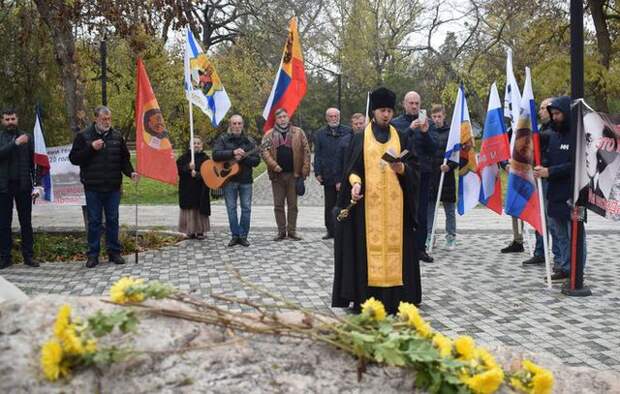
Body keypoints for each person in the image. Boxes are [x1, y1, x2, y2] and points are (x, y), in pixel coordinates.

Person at [332, 87, 421, 314]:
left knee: (396, 251)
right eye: (382, 110)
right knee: (366, 253)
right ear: (374, 112)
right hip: (367, 210)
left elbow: (415, 170)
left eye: (390, 111)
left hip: (395, 210)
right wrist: (355, 184)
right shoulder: (361, 138)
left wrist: (402, 168)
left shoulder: (400, 136)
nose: (386, 115)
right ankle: (366, 299)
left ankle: (396, 299)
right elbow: (352, 169)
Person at [69, 106, 138, 268]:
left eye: (109, 119)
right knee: (94, 221)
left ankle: (114, 252)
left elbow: (124, 160)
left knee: (113, 220)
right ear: (96, 119)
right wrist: (91, 148)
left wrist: (131, 173)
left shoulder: (117, 136)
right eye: (103, 119)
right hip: (93, 187)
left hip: (113, 187)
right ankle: (93, 254)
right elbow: (74, 158)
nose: (107, 122)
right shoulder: (84, 136)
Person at [534, 96, 586, 281]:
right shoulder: (554, 135)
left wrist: (550, 171)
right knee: (560, 234)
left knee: (575, 234)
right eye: (552, 114)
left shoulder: (579, 136)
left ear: (566, 113)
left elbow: (576, 164)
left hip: (574, 194)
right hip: (555, 193)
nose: (554, 117)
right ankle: (564, 267)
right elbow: (549, 157)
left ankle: (577, 269)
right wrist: (542, 167)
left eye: (557, 113)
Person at [391, 91, 437, 262]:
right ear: (404, 104)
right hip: (402, 172)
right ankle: (401, 246)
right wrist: (410, 130)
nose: (414, 106)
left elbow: (434, 148)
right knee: (401, 210)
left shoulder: (429, 123)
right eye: (410, 103)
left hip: (423, 174)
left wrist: (425, 133)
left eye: (417, 103)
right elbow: (396, 146)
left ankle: (420, 248)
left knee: (421, 212)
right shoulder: (396, 124)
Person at [262, 108, 311, 241]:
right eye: (280, 117)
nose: (283, 119)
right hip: (277, 176)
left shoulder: (298, 132)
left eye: (285, 116)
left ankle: (292, 231)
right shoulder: (269, 134)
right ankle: (281, 231)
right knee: (278, 205)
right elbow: (265, 152)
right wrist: (274, 165)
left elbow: (306, 151)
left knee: (293, 205)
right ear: (276, 120)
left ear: (288, 118)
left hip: (293, 175)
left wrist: (305, 171)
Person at [0, 108, 40, 269]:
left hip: (23, 186)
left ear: (18, 119)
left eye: (13, 119)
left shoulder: (28, 138)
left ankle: (28, 256)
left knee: (26, 222)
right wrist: (15, 143)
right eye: (7, 119)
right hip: (3, 187)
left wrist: (36, 185)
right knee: (3, 223)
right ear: (2, 121)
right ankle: (5, 257)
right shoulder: (1, 137)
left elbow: (34, 163)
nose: (10, 122)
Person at [212, 115, 260, 247]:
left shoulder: (249, 141)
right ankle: (235, 235)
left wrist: (244, 157)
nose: (237, 126)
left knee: (246, 209)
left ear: (243, 125)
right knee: (231, 209)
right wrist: (232, 153)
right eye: (234, 123)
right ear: (230, 125)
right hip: (228, 180)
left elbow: (256, 161)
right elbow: (215, 155)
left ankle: (243, 236)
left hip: (246, 180)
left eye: (239, 123)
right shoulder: (223, 139)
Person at [523, 98, 561, 266]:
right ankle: (540, 251)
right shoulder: (541, 129)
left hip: (551, 179)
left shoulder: (556, 130)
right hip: (538, 177)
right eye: (540, 108)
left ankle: (559, 257)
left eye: (544, 108)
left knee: (552, 220)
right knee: (540, 217)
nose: (541, 112)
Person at [313, 108, 351, 239]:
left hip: (343, 174)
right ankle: (330, 230)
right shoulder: (320, 134)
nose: (333, 118)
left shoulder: (348, 131)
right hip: (328, 173)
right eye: (331, 116)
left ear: (339, 117)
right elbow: (317, 154)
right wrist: (317, 172)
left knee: (344, 203)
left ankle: (343, 229)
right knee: (329, 204)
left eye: (336, 116)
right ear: (326, 118)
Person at [426, 104, 457, 250]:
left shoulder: (452, 133)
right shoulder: (428, 131)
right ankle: (430, 235)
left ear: (444, 116)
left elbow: (458, 156)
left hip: (447, 177)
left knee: (449, 209)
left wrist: (449, 166)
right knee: (430, 209)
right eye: (434, 117)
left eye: (439, 116)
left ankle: (451, 236)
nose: (437, 119)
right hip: (432, 177)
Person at [177, 136, 211, 240]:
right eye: (194, 143)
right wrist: (188, 167)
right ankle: (190, 231)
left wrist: (197, 174)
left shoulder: (206, 158)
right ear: (190, 145)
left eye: (198, 143)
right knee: (190, 209)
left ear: (202, 145)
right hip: (187, 188)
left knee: (199, 209)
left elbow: (209, 173)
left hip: (200, 189)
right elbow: (178, 170)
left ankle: (200, 231)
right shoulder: (183, 158)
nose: (196, 145)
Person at [335, 113, 366, 190]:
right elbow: (339, 161)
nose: (359, 126)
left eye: (361, 123)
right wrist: (338, 180)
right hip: (348, 177)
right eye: (356, 124)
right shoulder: (344, 141)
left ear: (365, 123)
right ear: (352, 125)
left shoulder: (370, 139)